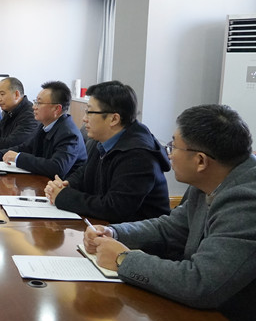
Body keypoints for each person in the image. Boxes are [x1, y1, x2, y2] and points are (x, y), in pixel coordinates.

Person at [84, 104, 256, 321]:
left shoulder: (252, 202)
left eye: (174, 146)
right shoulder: (211, 180)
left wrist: (122, 259)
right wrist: (115, 233)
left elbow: (200, 283)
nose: (169, 154)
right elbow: (171, 227)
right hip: (209, 320)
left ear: (200, 160)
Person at [44, 81, 171, 222]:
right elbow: (85, 173)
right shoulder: (102, 139)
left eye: (89, 112)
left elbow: (114, 209)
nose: (84, 119)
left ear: (114, 119)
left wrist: (64, 196)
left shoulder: (138, 155)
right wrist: (66, 185)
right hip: (107, 227)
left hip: (136, 233)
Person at [0, 80, 86, 178]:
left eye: (39, 103)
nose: (34, 107)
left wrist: (18, 158)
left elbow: (57, 168)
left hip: (63, 188)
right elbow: (26, 147)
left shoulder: (69, 134)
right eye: (35, 102)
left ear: (57, 109)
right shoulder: (45, 125)